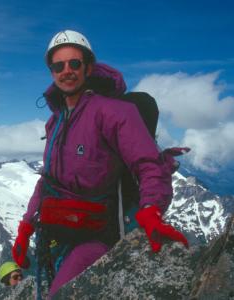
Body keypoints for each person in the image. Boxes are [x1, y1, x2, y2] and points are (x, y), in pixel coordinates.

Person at [12, 30, 189, 298]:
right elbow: (47, 180)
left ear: (89, 67)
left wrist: (151, 208)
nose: (67, 71)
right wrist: (26, 227)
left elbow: (148, 164)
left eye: (75, 63)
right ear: (52, 72)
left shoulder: (114, 113)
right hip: (59, 230)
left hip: (97, 234)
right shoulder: (56, 121)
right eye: (59, 66)